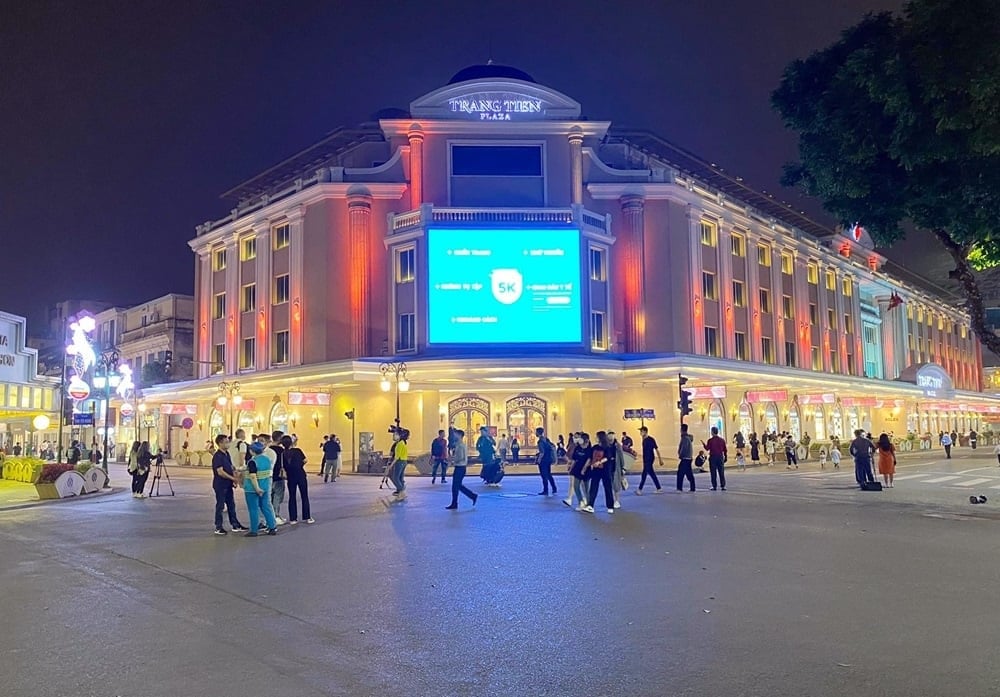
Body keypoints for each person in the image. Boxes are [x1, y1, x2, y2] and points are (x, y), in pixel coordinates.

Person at [211, 434, 246, 535]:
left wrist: (234, 478)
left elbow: (231, 467)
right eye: (226, 442)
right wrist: (233, 478)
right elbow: (220, 472)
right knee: (220, 506)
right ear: (220, 443)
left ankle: (235, 524)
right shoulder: (217, 456)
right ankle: (218, 527)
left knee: (231, 505)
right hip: (220, 485)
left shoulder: (227, 454)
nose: (228, 444)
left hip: (228, 484)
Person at [242, 441, 278, 536]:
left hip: (252, 489)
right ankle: (272, 527)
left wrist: (257, 488)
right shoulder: (267, 459)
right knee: (266, 507)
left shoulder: (253, 462)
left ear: (252, 451)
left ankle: (254, 530)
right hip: (265, 487)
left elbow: (253, 476)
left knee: (253, 509)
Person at [280, 434, 313, 524]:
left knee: (292, 496)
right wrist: (300, 465)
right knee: (304, 496)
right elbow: (305, 460)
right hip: (300, 475)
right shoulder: (298, 451)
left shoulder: (282, 453)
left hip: (290, 477)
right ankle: (307, 517)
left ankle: (293, 518)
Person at [445, 428, 478, 510]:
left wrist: (452, 460)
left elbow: (461, 457)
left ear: (460, 435)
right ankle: (470, 497)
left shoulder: (460, 445)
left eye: (456, 434)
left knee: (456, 486)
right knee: (457, 486)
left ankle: (458, 502)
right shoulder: (460, 445)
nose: (454, 435)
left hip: (460, 467)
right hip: (460, 467)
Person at [584, 431, 615, 514]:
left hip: (605, 470)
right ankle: (590, 505)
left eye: (597, 437)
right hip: (596, 470)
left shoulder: (607, 447)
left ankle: (610, 506)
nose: (595, 438)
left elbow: (608, 457)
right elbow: (590, 457)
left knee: (607, 487)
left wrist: (599, 462)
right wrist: (587, 466)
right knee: (593, 487)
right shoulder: (594, 447)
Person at [565, 432, 592, 510]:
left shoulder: (589, 449)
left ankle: (589, 504)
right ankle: (581, 501)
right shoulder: (577, 448)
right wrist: (571, 468)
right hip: (577, 468)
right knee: (576, 485)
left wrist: (584, 469)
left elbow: (589, 460)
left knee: (586, 487)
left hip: (586, 470)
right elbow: (574, 459)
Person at [636, 426, 663, 494]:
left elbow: (656, 449)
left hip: (649, 459)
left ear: (645, 431)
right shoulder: (644, 440)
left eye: (641, 431)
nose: (640, 433)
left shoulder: (650, 439)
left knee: (644, 474)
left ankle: (640, 489)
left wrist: (660, 459)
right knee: (651, 473)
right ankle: (659, 488)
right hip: (646, 459)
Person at [269, 431, 287, 524]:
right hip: (278, 475)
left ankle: (271, 515)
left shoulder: (268, 449)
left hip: (269, 475)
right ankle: (275, 515)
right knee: (278, 496)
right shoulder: (281, 450)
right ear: (280, 438)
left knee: (270, 496)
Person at [703, 426, 728, 491]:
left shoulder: (710, 440)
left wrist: (704, 444)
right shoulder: (722, 440)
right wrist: (725, 457)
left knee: (713, 472)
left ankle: (714, 486)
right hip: (720, 457)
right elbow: (725, 450)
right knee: (721, 472)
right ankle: (723, 486)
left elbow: (707, 448)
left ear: (713, 432)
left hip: (713, 457)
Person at [534, 426, 557, 496]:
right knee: (549, 474)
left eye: (536, 432)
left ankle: (545, 490)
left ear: (538, 432)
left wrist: (538, 460)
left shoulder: (540, 441)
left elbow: (542, 452)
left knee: (544, 475)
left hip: (543, 461)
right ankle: (554, 488)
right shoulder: (546, 439)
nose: (535, 433)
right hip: (548, 459)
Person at [389, 428, 410, 500]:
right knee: (400, 477)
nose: (393, 436)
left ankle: (401, 491)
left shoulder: (399, 444)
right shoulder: (402, 443)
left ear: (400, 436)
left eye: (395, 435)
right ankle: (400, 492)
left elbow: (397, 457)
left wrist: (391, 465)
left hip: (400, 462)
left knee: (395, 477)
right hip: (404, 461)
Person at [677, 424, 696, 492]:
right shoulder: (687, 438)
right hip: (688, 458)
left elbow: (683, 448)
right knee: (689, 473)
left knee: (680, 473)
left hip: (685, 458)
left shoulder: (685, 438)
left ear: (682, 430)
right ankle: (692, 487)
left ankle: (679, 488)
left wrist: (680, 455)